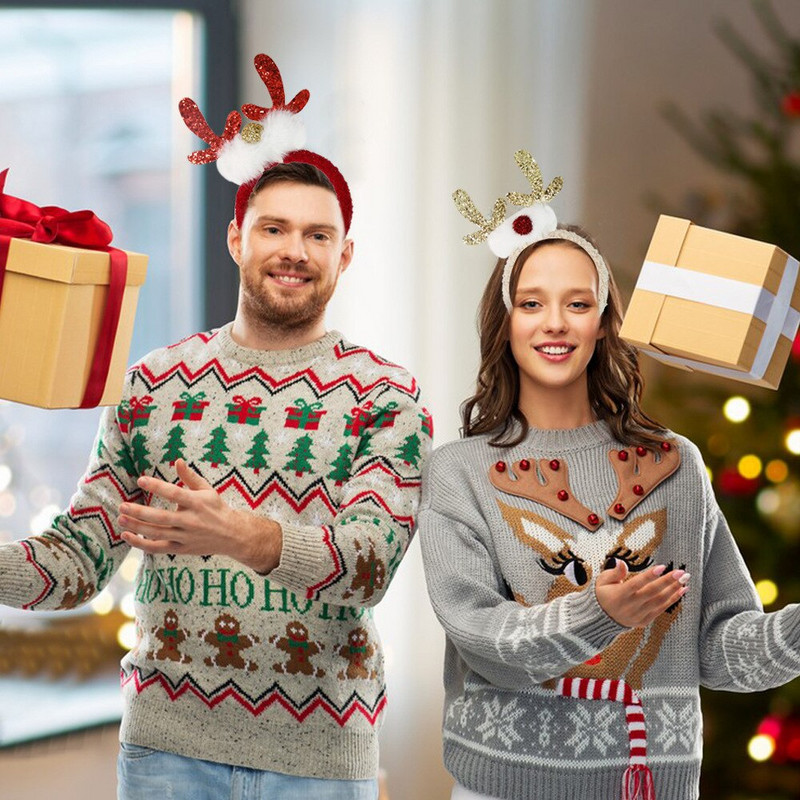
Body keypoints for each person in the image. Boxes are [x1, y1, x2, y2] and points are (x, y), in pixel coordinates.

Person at [0, 55, 430, 800]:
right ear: (237, 240)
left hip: (319, 765)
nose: (294, 251)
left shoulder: (385, 395)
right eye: (273, 228)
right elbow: (76, 561)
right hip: (165, 757)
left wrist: (240, 534)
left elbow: (368, 566)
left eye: (318, 235)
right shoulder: (152, 383)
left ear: (345, 255)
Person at [418, 150, 800, 800]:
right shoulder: (460, 472)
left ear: (603, 323)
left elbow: (715, 647)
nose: (555, 322)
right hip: (505, 790)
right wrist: (598, 611)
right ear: (505, 322)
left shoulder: (676, 464)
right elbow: (485, 643)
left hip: (649, 783)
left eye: (578, 303)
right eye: (532, 303)